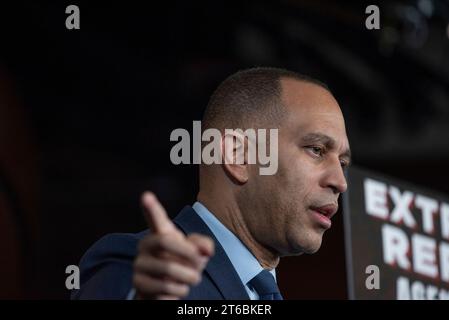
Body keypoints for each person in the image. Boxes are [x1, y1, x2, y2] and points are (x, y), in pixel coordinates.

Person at [71, 67, 351, 300]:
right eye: (316, 149)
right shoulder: (140, 267)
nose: (340, 182)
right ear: (239, 156)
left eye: (343, 163)